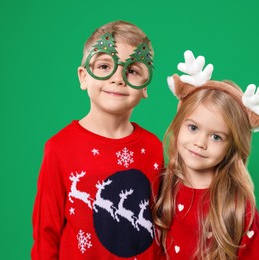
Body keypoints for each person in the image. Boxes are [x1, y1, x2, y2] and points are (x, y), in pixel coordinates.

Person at [32, 20, 164, 259]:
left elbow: (165, 223)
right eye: (104, 66)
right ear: (84, 77)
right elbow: (46, 234)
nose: (118, 78)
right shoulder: (59, 148)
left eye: (132, 70)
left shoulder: (154, 148)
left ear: (145, 86)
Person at [153, 51, 259, 259]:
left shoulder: (236, 205)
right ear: (178, 125)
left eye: (216, 137)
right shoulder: (161, 184)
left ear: (232, 146)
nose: (200, 143)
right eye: (193, 128)